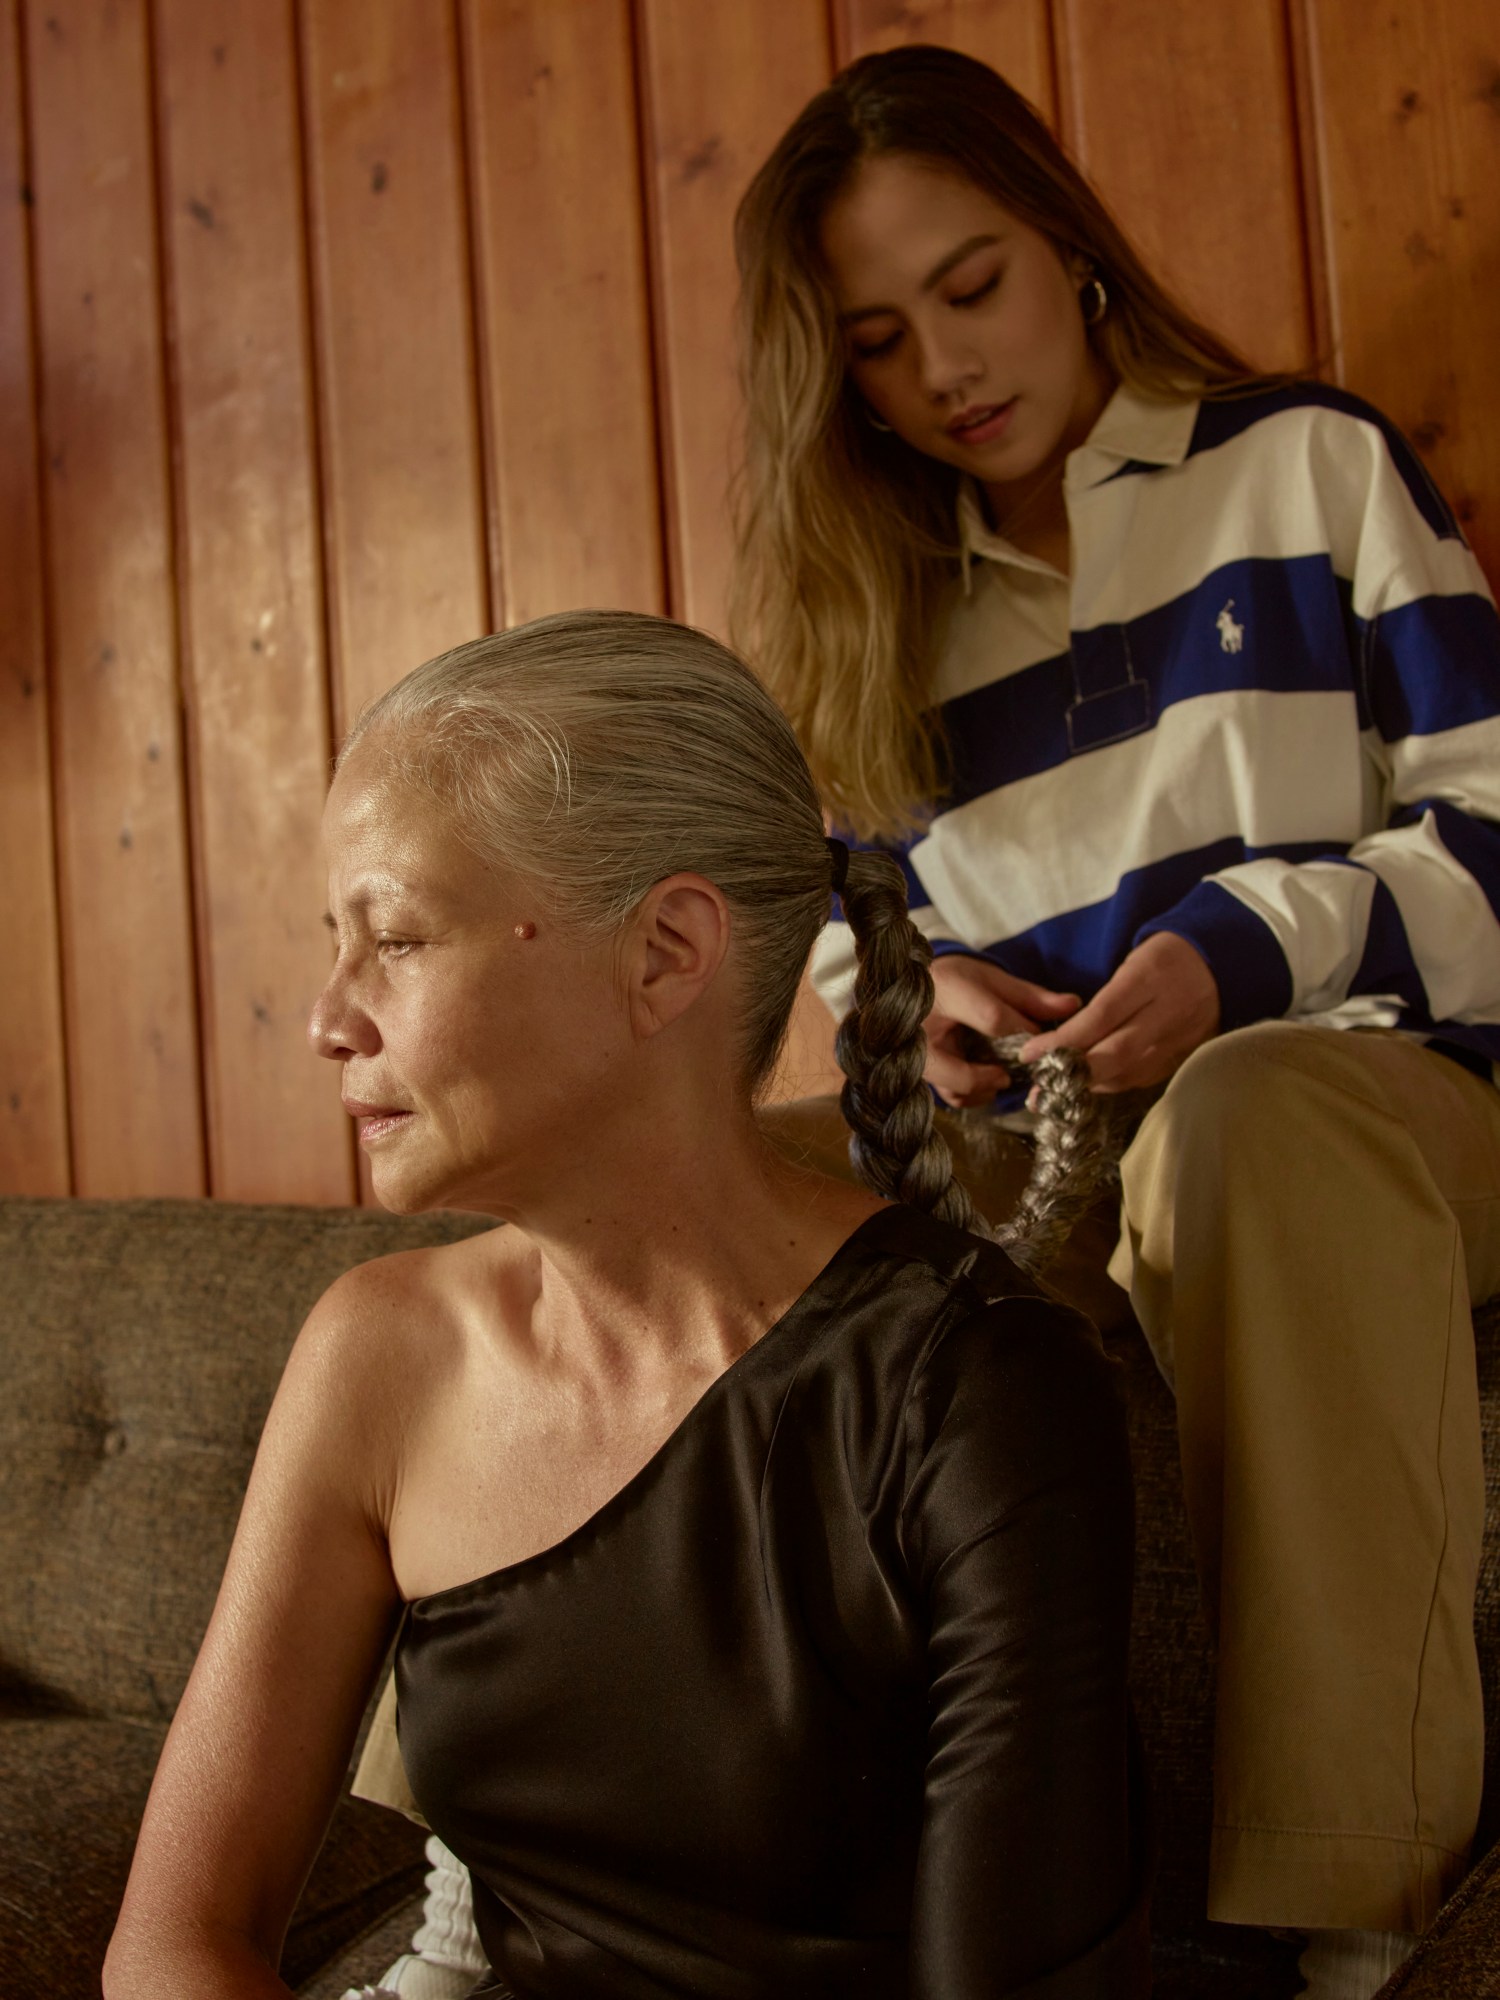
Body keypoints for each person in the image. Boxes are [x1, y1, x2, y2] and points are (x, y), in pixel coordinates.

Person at [729, 41, 1500, 2000]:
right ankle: (519, 1849)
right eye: (881, 339)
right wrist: (916, 1004)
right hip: (1070, 1163)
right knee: (710, 1190)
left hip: (1397, 1102)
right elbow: (852, 948)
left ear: (1067, 241)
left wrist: (1251, 947)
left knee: (1253, 1107)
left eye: (971, 284)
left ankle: (1344, 1914)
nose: (944, 370)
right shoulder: (876, 621)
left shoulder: (1304, 465)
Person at [104, 611, 1145, 2000]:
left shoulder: (978, 1388)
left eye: (397, 939)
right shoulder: (379, 1352)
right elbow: (179, 1942)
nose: (328, 1018)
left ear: (664, 954)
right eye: (335, 943)